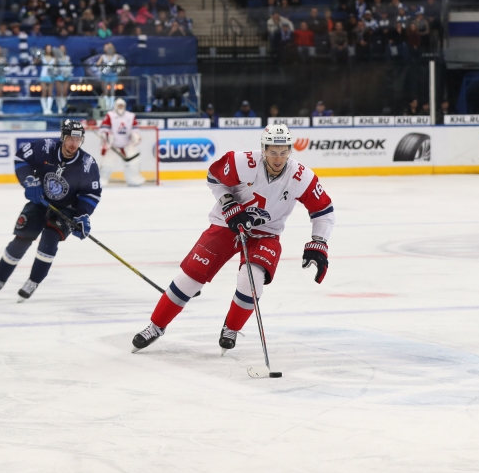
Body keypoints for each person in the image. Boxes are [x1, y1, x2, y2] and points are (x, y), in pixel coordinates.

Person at [131, 125, 335, 353]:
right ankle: (156, 326)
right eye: (272, 151)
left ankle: (231, 328)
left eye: (283, 151)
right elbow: (213, 177)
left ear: (290, 151)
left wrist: (319, 243)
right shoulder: (242, 162)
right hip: (227, 224)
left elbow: (324, 211)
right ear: (263, 149)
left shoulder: (302, 177)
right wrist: (229, 204)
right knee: (190, 278)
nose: (278, 158)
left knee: (252, 281)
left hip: (266, 233)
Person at [0, 120, 102, 302]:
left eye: (77, 140)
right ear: (62, 137)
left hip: (67, 209)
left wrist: (82, 216)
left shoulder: (87, 164)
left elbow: (91, 194)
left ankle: (33, 281)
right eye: (70, 138)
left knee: (50, 239)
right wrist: (29, 181)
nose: (73, 144)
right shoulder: (46, 147)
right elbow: (22, 158)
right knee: (21, 239)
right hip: (40, 201)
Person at [98, 98, 145, 187]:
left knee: (133, 162)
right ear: (115, 106)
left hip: (127, 143)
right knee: (107, 163)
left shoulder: (130, 116)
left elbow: (135, 130)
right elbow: (104, 129)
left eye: (122, 105)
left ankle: (133, 178)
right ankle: (102, 179)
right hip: (113, 144)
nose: (120, 107)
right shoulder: (110, 115)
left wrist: (135, 136)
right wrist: (107, 136)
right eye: (119, 105)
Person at [96, 43, 126, 110]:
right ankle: (106, 106)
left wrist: (116, 66)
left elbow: (119, 66)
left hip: (113, 75)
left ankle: (112, 106)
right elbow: (97, 64)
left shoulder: (116, 56)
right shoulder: (103, 56)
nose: (108, 49)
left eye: (109, 48)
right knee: (105, 91)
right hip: (105, 75)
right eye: (106, 48)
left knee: (112, 91)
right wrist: (104, 66)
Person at [34, 45, 56, 114]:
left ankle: (49, 109)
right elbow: (35, 62)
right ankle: (44, 109)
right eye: (47, 48)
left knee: (50, 93)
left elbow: (56, 67)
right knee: (44, 92)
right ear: (45, 49)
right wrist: (37, 55)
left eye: (50, 48)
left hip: (51, 76)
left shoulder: (54, 58)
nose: (49, 50)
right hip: (43, 75)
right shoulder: (42, 57)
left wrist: (53, 69)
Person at [54, 45, 73, 113]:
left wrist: (67, 71)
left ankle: (63, 106)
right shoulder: (57, 58)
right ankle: (59, 108)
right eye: (61, 49)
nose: (62, 50)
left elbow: (70, 66)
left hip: (66, 76)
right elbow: (54, 66)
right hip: (59, 75)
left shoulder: (68, 57)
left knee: (64, 92)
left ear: (65, 50)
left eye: (63, 49)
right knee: (59, 92)